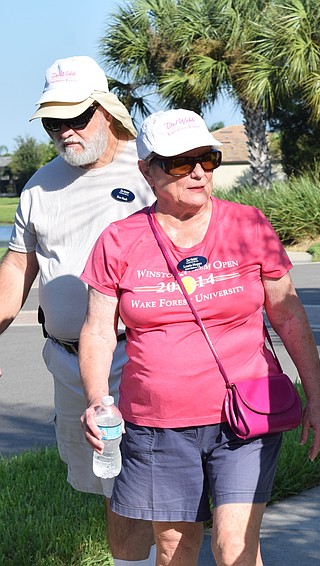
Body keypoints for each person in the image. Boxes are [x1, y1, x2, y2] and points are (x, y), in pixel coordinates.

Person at [78, 109, 320, 565]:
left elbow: (289, 315)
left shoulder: (248, 224)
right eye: (180, 161)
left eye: (207, 158)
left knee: (234, 546)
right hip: (157, 424)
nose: (197, 171)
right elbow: (98, 332)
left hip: (246, 412)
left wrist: (318, 397)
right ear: (147, 170)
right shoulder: (119, 240)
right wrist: (98, 399)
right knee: (176, 547)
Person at [0, 55, 156, 565]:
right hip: (69, 365)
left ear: (106, 111)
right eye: (53, 121)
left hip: (144, 357)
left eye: (77, 116)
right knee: (111, 486)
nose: (65, 130)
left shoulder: (148, 172)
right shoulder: (38, 188)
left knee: (149, 483)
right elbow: (13, 278)